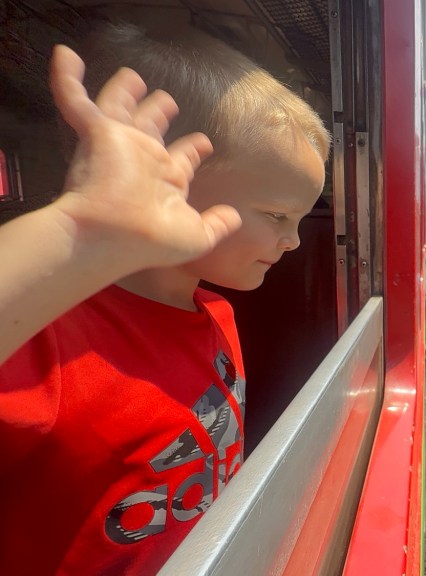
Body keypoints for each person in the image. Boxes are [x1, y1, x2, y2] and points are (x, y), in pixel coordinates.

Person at [0, 23, 328, 576]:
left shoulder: (219, 316)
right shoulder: (49, 340)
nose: (293, 240)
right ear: (173, 183)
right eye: (277, 215)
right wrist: (77, 229)